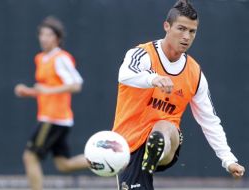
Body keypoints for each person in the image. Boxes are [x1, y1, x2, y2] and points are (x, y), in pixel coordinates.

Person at [112, 0, 245, 189]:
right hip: (128, 144)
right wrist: (153, 79)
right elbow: (124, 74)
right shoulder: (142, 54)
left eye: (192, 31)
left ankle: (155, 150)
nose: (186, 37)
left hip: (166, 142)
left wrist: (228, 159)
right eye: (181, 29)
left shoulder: (194, 73)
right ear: (166, 26)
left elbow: (209, 120)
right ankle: (144, 163)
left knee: (165, 126)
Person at [14, 16, 89, 190]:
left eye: (49, 34)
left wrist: (47, 91)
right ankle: (107, 159)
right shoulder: (40, 58)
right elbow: (46, 89)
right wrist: (30, 92)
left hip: (54, 118)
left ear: (57, 38)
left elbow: (76, 85)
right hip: (53, 118)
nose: (44, 38)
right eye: (42, 34)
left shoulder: (61, 58)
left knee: (30, 156)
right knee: (64, 165)